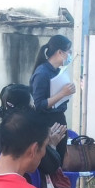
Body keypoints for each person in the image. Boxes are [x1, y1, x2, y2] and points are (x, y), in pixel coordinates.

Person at [0, 83, 73, 188]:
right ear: (25, 109)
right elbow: (51, 166)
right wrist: (51, 144)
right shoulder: (31, 134)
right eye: (32, 105)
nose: (35, 109)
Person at [30, 34, 75, 164]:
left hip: (59, 119)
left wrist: (68, 92)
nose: (70, 55)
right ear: (60, 52)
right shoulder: (42, 72)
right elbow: (39, 104)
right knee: (50, 161)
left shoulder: (59, 71)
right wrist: (62, 93)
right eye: (69, 52)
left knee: (59, 160)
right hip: (47, 122)